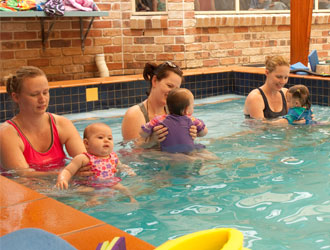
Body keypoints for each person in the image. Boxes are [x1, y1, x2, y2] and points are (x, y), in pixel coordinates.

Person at [0, 66, 87, 177]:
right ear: (16, 97)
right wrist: (67, 174)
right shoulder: (7, 134)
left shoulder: (62, 124)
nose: (42, 99)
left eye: (45, 92)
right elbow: (23, 177)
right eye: (34, 94)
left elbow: (85, 162)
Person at [121, 61, 197, 147]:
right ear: (154, 81)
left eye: (176, 89)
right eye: (169, 86)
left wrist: (190, 133)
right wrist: (152, 140)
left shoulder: (174, 110)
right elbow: (131, 153)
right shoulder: (135, 114)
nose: (172, 92)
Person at [56, 123, 137, 204]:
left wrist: (128, 170)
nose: (106, 140)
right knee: (86, 190)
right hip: (89, 185)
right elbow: (68, 170)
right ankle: (90, 201)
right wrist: (63, 179)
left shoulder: (113, 156)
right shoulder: (84, 158)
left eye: (110, 138)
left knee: (122, 187)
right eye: (100, 137)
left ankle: (131, 198)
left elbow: (121, 166)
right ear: (86, 143)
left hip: (109, 183)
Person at [140, 88, 208, 153]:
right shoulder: (192, 120)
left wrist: (150, 135)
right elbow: (204, 132)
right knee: (202, 150)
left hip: (167, 152)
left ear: (167, 107)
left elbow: (142, 133)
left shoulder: (159, 119)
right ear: (187, 110)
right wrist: (197, 132)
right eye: (192, 106)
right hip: (189, 151)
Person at [244, 55, 290, 120]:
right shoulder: (255, 98)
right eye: (279, 77)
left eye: (286, 77)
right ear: (267, 72)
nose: (283, 81)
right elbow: (260, 127)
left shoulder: (286, 94)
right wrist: (285, 122)